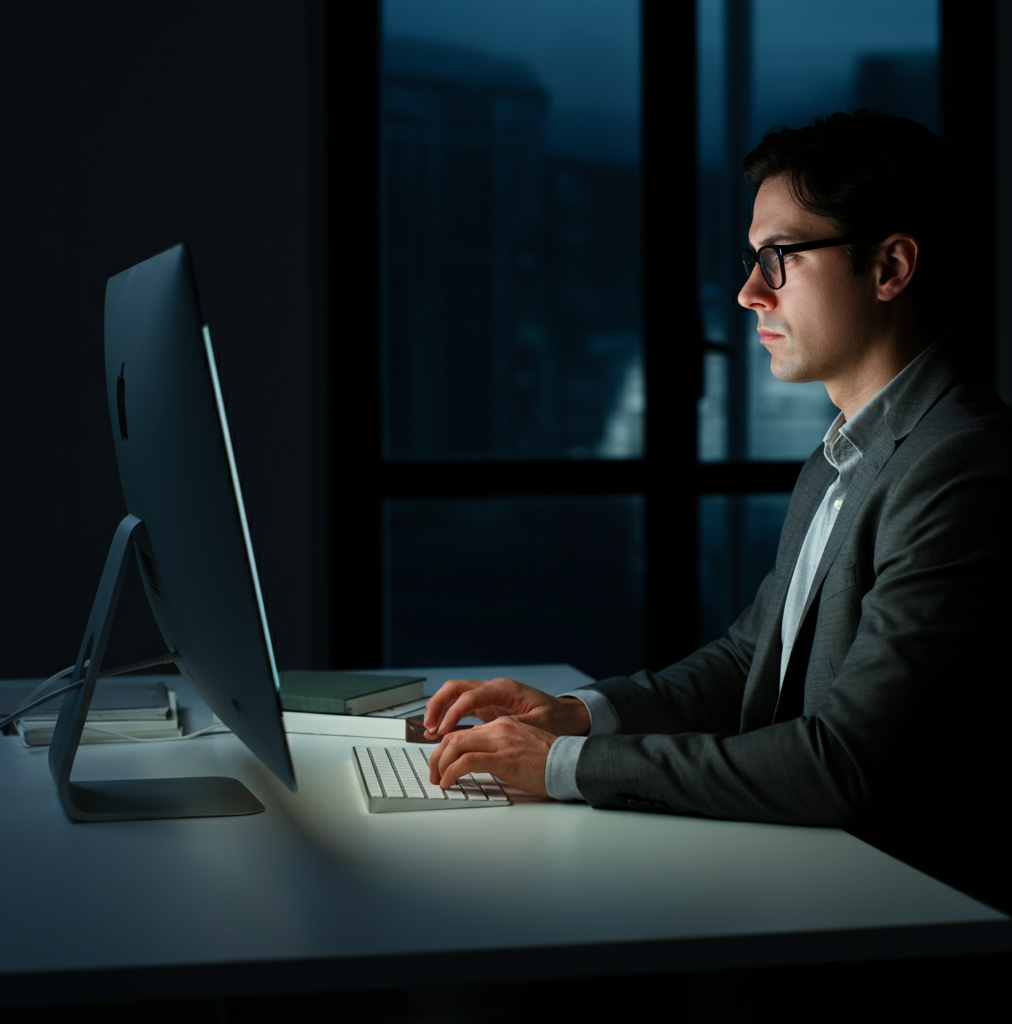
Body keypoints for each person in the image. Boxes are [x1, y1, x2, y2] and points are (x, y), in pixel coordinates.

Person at [422, 110, 1012, 913]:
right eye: (751, 259)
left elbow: (845, 762)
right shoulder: (848, 453)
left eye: (779, 257)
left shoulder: (958, 464)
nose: (747, 292)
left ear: (890, 266)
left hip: (896, 910)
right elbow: (745, 662)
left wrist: (562, 766)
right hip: (811, 873)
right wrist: (575, 716)